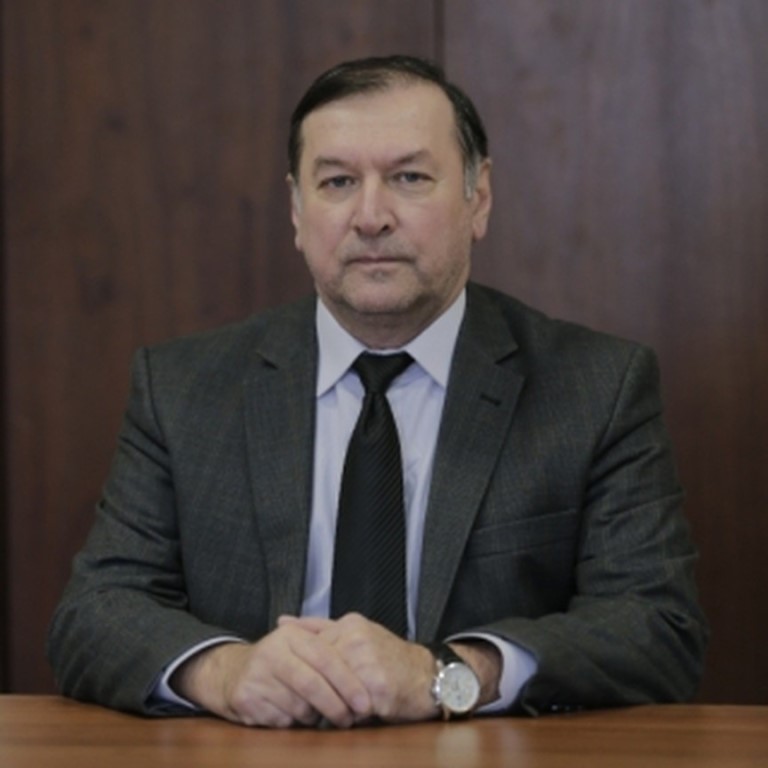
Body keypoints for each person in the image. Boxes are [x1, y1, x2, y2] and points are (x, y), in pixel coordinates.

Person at [47, 55, 708, 729]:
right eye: (337, 182)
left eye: (409, 178)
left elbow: (658, 626)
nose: (370, 217)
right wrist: (226, 673)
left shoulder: (596, 388)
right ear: (297, 211)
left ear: (478, 198)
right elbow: (94, 612)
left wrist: (447, 675)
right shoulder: (182, 388)